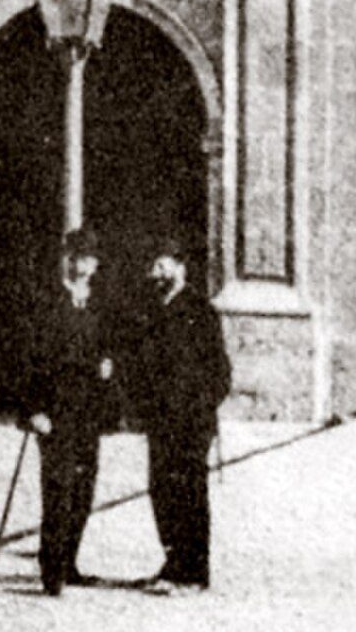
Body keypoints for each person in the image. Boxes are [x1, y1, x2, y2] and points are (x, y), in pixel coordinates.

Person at [129, 236, 231, 593]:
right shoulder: (153, 310)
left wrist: (198, 410)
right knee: (161, 489)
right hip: (160, 422)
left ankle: (194, 571)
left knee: (189, 493)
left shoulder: (201, 311)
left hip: (190, 423)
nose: (154, 273)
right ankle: (173, 562)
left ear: (180, 267)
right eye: (152, 267)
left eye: (161, 266)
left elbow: (220, 373)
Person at [22, 227, 114, 596]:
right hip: (55, 409)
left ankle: (69, 560)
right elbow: (30, 358)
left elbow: (107, 344)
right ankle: (52, 568)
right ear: (67, 259)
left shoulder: (97, 302)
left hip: (87, 409)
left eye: (89, 259)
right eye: (77, 258)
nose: (83, 265)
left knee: (84, 487)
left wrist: (107, 362)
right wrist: (34, 410)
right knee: (58, 487)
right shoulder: (48, 301)